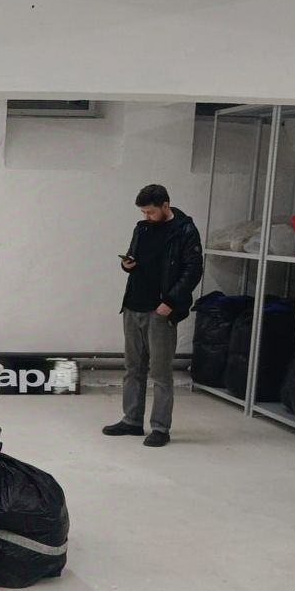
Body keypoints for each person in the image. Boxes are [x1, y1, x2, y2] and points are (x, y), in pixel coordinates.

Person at [103, 184, 203, 447]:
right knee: (133, 368)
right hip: (133, 305)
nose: (146, 216)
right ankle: (132, 421)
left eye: (150, 212)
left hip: (160, 310)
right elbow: (134, 257)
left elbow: (193, 270)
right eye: (143, 212)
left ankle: (160, 427)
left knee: (160, 372)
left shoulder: (185, 230)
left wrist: (171, 301)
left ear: (165, 206)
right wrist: (126, 264)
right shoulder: (142, 228)